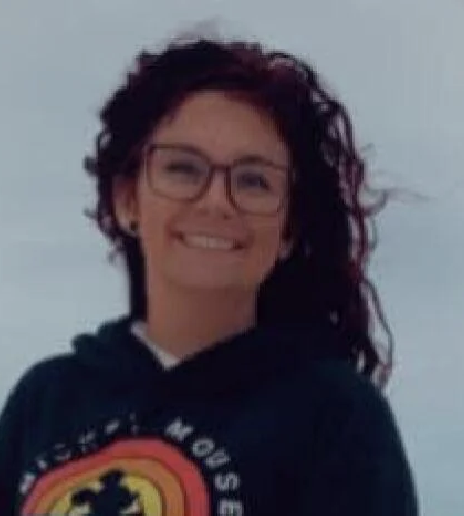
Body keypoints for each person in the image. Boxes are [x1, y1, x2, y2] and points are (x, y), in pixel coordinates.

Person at [0, 34, 419, 515]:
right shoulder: (46, 401)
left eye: (253, 180)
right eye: (183, 169)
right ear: (127, 199)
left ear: (288, 229)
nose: (217, 201)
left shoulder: (335, 415)